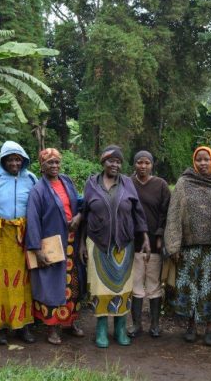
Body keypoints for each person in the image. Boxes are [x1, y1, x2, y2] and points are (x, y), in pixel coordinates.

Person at [79, 145, 150, 348]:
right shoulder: (92, 183)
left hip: (124, 244)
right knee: (100, 288)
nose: (115, 165)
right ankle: (101, 329)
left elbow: (137, 211)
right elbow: (85, 213)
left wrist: (144, 236)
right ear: (103, 162)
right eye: (111, 161)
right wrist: (82, 244)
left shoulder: (127, 183)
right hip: (98, 243)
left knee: (123, 288)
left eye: (118, 161)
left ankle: (120, 328)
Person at [165, 146, 211, 347]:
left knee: (210, 288)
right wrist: (173, 245)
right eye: (199, 159)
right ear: (194, 161)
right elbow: (174, 214)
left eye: (206, 159)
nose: (203, 163)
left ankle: (210, 328)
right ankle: (191, 326)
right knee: (189, 287)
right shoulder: (184, 183)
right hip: (189, 247)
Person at [25, 148, 85, 345]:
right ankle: (52, 328)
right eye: (50, 163)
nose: (55, 166)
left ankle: (70, 322)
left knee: (72, 285)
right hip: (51, 244)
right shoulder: (38, 190)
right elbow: (33, 220)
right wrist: (36, 249)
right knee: (52, 285)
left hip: (71, 241)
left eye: (57, 162)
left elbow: (77, 203)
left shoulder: (66, 181)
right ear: (41, 166)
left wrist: (78, 216)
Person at [0, 141, 37, 345]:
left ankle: (23, 326)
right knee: (0, 281)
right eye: (11, 159)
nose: (14, 163)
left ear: (23, 161)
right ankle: (1, 327)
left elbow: (36, 206)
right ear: (3, 160)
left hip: (23, 236)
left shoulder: (31, 178)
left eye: (18, 159)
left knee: (23, 281)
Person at [128, 150, 170, 338]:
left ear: (152, 165)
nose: (143, 166)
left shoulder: (161, 185)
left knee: (153, 284)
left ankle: (155, 324)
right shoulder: (127, 183)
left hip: (155, 243)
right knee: (135, 283)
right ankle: (136, 324)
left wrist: (160, 236)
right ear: (134, 164)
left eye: (146, 163)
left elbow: (165, 212)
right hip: (133, 242)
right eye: (139, 162)